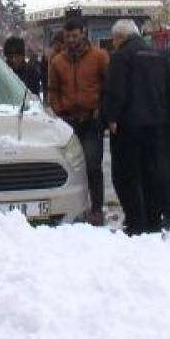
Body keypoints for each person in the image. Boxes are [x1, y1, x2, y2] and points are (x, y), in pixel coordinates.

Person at [103, 20, 170, 234]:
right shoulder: (159, 56)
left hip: (128, 126)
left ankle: (136, 221)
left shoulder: (120, 57)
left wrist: (112, 118)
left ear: (119, 38)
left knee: (127, 175)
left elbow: (116, 91)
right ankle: (153, 218)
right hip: (156, 125)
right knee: (151, 173)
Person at [48, 17, 110, 225]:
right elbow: (53, 90)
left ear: (83, 33)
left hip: (91, 121)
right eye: (68, 36)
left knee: (93, 165)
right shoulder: (57, 61)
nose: (72, 40)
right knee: (69, 166)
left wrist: (102, 111)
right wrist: (57, 110)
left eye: (75, 35)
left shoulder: (99, 57)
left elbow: (109, 86)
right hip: (68, 122)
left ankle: (97, 208)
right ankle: (72, 206)